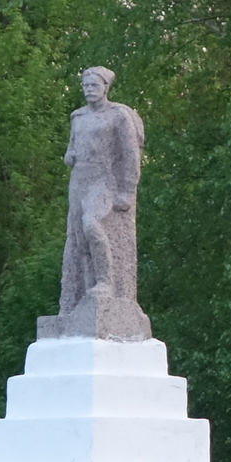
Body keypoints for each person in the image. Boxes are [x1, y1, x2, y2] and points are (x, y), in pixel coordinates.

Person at [58, 66, 146, 314]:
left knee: (90, 224)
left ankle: (105, 281)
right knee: (76, 238)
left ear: (105, 87)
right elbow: (71, 148)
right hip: (79, 180)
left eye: (94, 85)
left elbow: (130, 156)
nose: (89, 90)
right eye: (85, 86)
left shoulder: (118, 116)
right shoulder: (78, 117)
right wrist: (70, 156)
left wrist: (127, 191)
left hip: (104, 178)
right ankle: (78, 297)